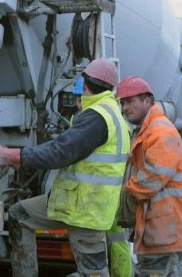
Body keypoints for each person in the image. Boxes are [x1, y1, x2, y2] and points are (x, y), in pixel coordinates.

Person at [0, 58, 130, 277]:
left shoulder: (98, 117)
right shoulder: (105, 113)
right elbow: (60, 148)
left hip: (86, 211)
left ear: (85, 84)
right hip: (72, 203)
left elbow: (59, 152)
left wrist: (10, 155)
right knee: (19, 214)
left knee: (94, 273)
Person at [117, 76, 182, 276]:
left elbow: (153, 177)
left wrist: (126, 191)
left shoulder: (159, 130)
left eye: (130, 101)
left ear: (147, 101)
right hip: (161, 223)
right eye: (122, 102)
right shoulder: (149, 129)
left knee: (151, 271)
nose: (125, 107)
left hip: (163, 223)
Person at [73, 76, 133, 277]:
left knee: (116, 242)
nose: (80, 103)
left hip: (108, 196)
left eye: (81, 98)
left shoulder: (106, 118)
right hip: (97, 197)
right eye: (77, 99)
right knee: (107, 244)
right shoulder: (81, 120)